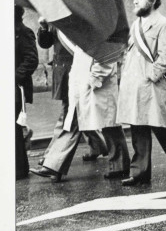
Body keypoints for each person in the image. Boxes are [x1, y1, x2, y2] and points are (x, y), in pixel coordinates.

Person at [31, 37, 130, 182]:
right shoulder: (84, 32)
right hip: (83, 88)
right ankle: (54, 166)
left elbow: (107, 58)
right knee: (72, 121)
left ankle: (120, 165)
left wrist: (94, 79)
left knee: (109, 126)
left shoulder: (102, 30)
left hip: (99, 88)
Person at [116, 0, 166, 186]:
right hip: (133, 86)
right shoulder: (136, 25)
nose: (135, 1)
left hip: (151, 87)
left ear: (152, 0)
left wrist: (150, 76)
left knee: (162, 129)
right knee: (137, 129)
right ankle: (139, 173)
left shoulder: (163, 24)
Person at [37, 20, 108, 163]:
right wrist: (44, 28)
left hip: (76, 68)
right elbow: (46, 43)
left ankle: (51, 155)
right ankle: (99, 145)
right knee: (77, 111)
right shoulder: (54, 14)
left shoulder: (75, 12)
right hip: (62, 70)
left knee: (68, 113)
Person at [15, 6, 38, 180]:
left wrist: (13, 77)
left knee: (13, 130)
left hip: (16, 89)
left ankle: (19, 170)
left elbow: (31, 59)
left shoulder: (23, 32)